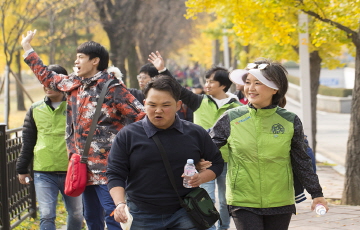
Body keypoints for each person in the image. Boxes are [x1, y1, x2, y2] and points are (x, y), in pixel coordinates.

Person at [21, 30, 145, 230]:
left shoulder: (112, 87)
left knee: (113, 216)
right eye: (76, 57)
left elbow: (142, 116)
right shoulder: (74, 83)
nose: (76, 61)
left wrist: (136, 149)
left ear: (95, 61)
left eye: (80, 57)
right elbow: (47, 77)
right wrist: (28, 48)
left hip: (108, 169)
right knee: (91, 218)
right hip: (82, 167)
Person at [209, 60, 329, 230]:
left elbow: (301, 160)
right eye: (248, 82)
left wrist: (317, 194)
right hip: (242, 199)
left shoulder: (290, 120)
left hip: (280, 200)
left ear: (275, 88)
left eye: (258, 83)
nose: (250, 88)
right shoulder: (231, 117)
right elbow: (208, 146)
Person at [106, 75, 224, 229]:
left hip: (185, 211)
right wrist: (120, 203)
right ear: (144, 104)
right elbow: (115, 172)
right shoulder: (128, 135)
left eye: (166, 105)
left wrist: (200, 178)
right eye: (152, 105)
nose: (158, 111)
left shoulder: (195, 133)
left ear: (178, 105)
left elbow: (217, 163)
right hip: (142, 214)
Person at [148, 51, 241, 230]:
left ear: (223, 85)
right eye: (205, 81)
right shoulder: (199, 101)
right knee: (206, 198)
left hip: (228, 161)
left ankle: (223, 227)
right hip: (203, 161)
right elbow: (178, 89)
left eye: (211, 81)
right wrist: (162, 70)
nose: (206, 85)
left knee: (224, 200)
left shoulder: (237, 108)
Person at [16, 64, 83, 230]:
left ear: (62, 83)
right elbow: (28, 140)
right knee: (46, 215)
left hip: (72, 170)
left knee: (76, 214)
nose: (46, 86)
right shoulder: (35, 109)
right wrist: (22, 168)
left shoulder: (75, 107)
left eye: (51, 82)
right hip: (43, 171)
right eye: (44, 82)